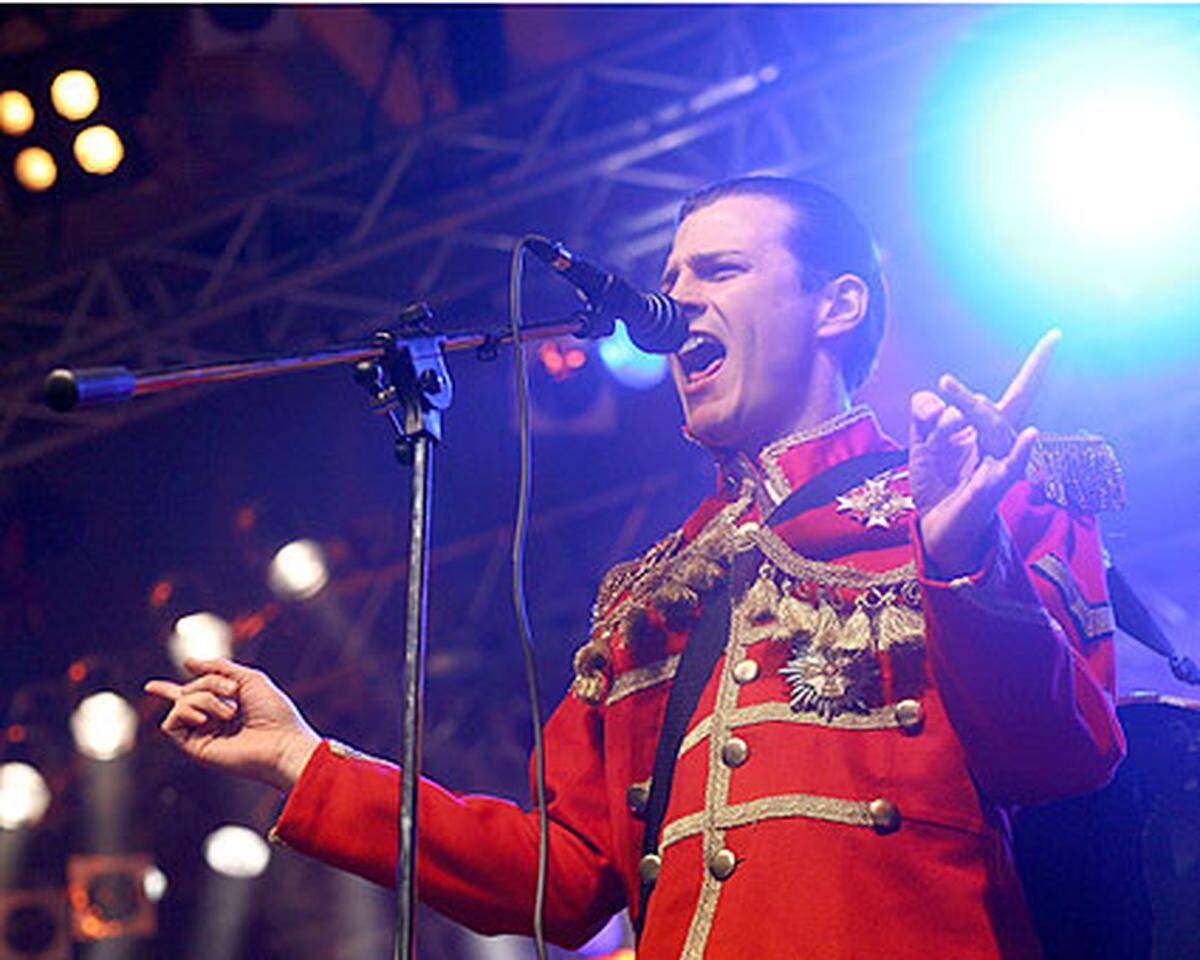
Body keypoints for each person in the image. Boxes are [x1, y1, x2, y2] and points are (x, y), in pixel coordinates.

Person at [145, 177, 1124, 959]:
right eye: (673, 275)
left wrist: (965, 563)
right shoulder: (654, 591)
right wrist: (304, 762)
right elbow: (561, 878)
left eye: (722, 269)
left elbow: (1063, 759)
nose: (678, 300)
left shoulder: (987, 490)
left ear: (837, 304)